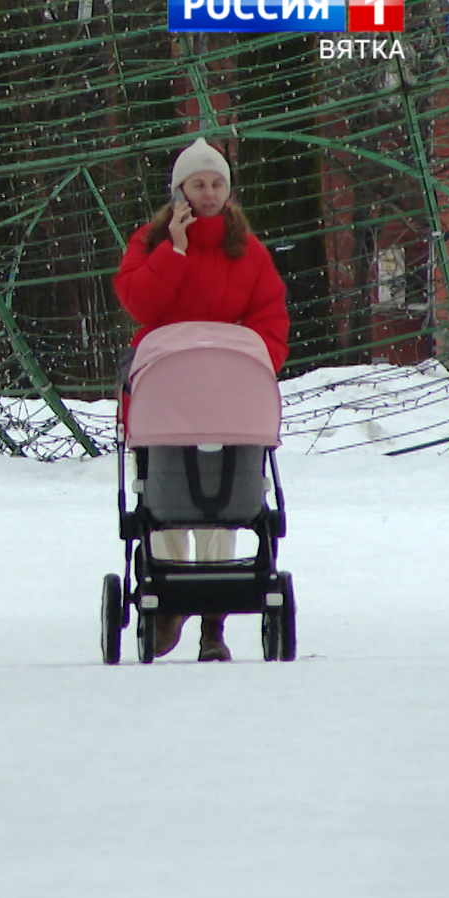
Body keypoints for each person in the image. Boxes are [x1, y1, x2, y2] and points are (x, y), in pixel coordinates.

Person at [114, 136, 289, 662]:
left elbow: (270, 319)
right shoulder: (150, 242)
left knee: (225, 501)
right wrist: (176, 251)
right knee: (165, 499)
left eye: (217, 184)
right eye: (198, 184)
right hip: (166, 396)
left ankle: (213, 618)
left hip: (227, 397)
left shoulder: (249, 251)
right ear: (180, 191)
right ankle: (171, 599)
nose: (209, 193)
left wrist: (253, 363)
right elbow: (138, 302)